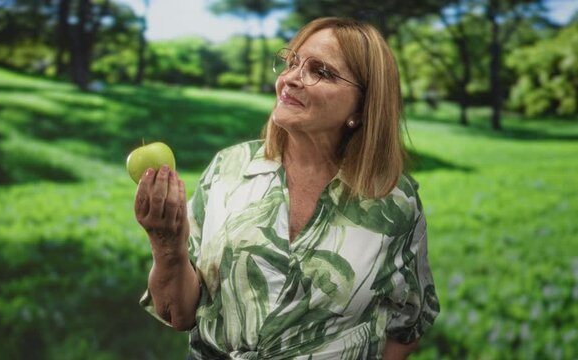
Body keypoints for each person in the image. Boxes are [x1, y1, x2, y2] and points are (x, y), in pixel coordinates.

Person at [134, 17, 440, 360]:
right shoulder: (228, 169)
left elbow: (407, 328)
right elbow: (180, 315)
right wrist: (167, 244)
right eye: (292, 62)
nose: (290, 79)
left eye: (320, 71)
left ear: (362, 107)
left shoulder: (396, 202)